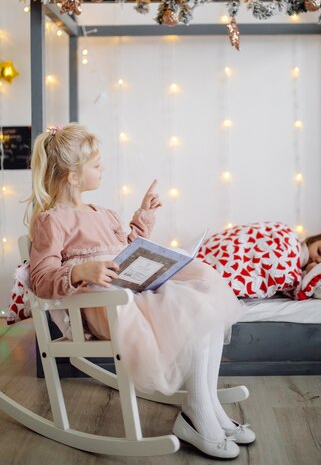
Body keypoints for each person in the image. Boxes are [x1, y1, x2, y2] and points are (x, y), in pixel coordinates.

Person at [26, 123, 255, 459]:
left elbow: (126, 248)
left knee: (203, 294)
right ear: (73, 176)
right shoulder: (52, 220)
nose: (103, 168)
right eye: (96, 164)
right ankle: (199, 414)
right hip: (104, 307)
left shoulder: (103, 213)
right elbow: (41, 278)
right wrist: (78, 271)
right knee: (188, 308)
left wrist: (144, 215)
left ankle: (205, 409)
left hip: (131, 294)